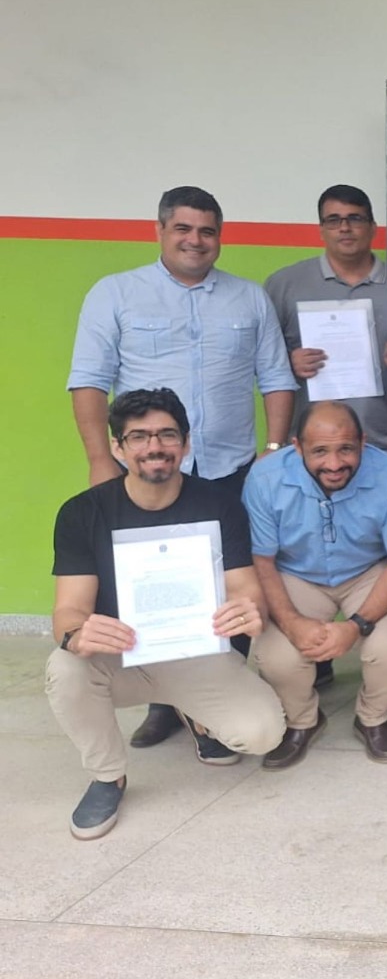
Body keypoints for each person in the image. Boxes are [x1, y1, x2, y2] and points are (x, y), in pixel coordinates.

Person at [67, 186, 297, 749]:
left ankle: (210, 699)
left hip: (231, 468)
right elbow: (89, 381)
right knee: (149, 581)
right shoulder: (115, 293)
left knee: (229, 584)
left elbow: (276, 377)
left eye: (208, 230)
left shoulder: (248, 298)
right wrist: (102, 460)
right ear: (161, 230)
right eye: (184, 229)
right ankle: (162, 699)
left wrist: (271, 453)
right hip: (150, 471)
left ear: (220, 236)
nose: (196, 240)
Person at [45, 389, 285, 840]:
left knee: (262, 735)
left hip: (198, 653)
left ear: (186, 443)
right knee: (65, 666)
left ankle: (195, 715)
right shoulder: (82, 513)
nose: (154, 447)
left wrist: (249, 611)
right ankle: (107, 776)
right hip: (121, 656)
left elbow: (244, 587)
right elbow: (68, 611)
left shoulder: (219, 504)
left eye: (166, 435)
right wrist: (78, 635)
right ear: (118, 447)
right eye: (138, 437)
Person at [246, 401, 387, 770]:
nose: (335, 463)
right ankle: (303, 721)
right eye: (319, 451)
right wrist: (291, 622)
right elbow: (262, 560)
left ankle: (373, 717)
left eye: (346, 449)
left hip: (371, 571)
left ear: (363, 441)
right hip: (296, 574)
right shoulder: (263, 479)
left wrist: (355, 627)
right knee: (278, 657)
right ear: (297, 446)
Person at [263, 185, 387, 464]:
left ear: (373, 227)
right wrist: (287, 364)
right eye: (333, 220)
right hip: (309, 450)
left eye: (355, 218)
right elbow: (262, 364)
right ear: (321, 229)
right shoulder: (283, 286)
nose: (345, 228)